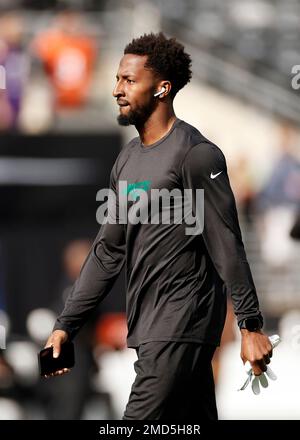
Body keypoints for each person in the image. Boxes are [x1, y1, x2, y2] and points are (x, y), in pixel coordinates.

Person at [45, 32, 273, 420]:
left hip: (181, 326)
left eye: (129, 80)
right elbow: (107, 252)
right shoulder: (127, 159)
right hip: (149, 329)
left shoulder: (197, 155)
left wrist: (251, 324)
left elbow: (227, 244)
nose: (118, 89)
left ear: (163, 88)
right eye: (117, 79)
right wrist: (67, 324)